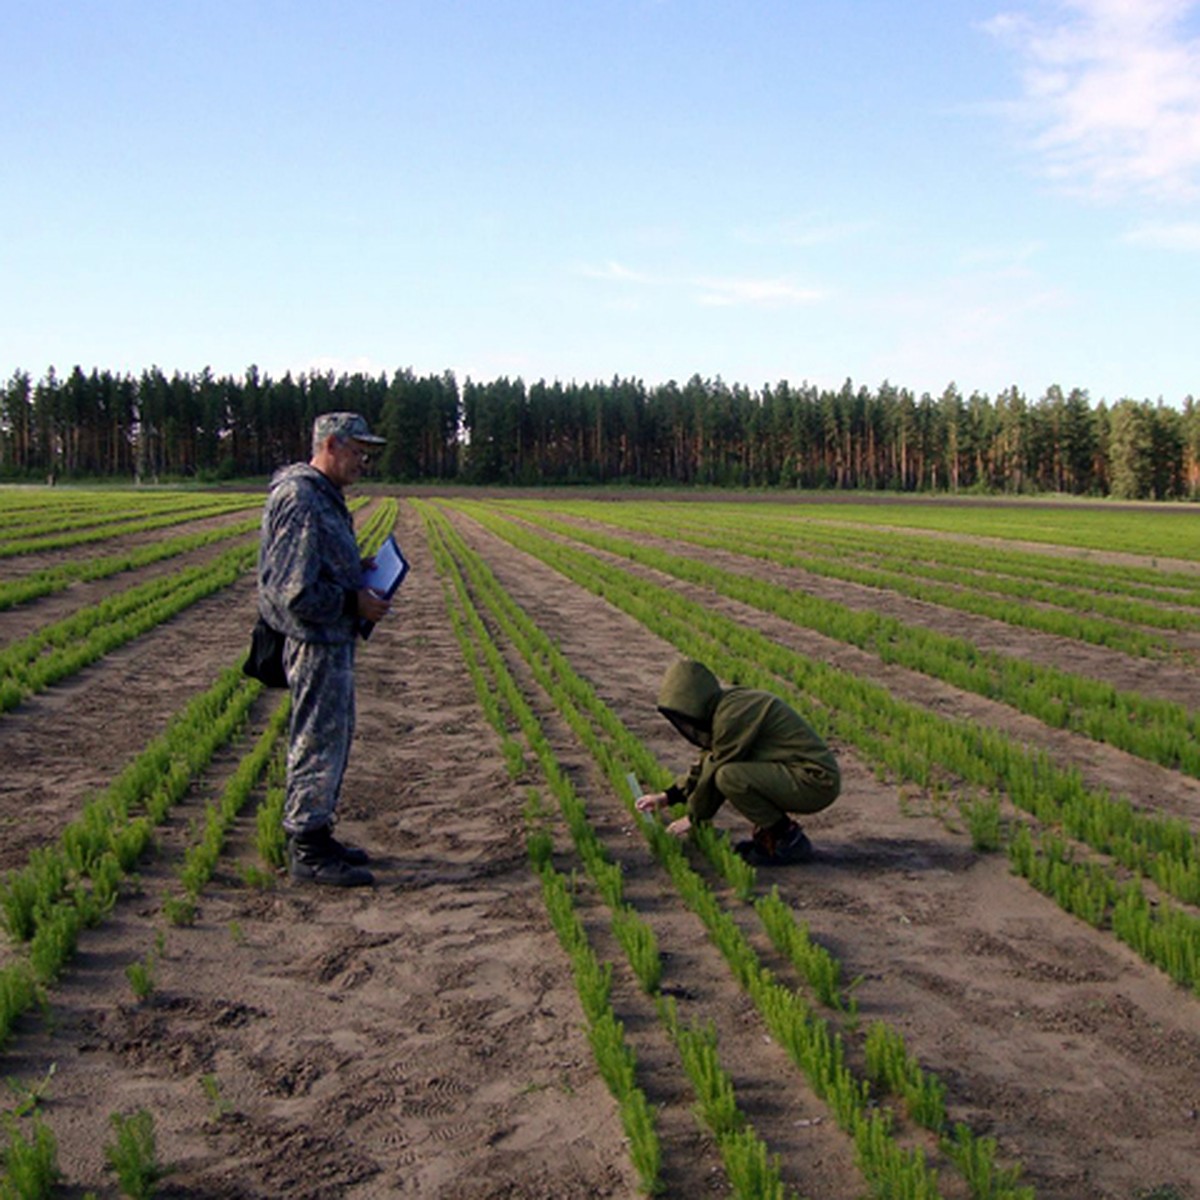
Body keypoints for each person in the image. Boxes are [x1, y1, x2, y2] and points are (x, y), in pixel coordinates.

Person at [257, 411, 392, 887]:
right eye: (358, 451)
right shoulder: (300, 497)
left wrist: (358, 570)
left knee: (331, 739)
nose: (363, 462)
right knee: (316, 742)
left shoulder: (323, 495)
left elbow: (319, 565)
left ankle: (318, 830)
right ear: (331, 445)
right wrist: (352, 599)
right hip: (314, 643)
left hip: (331, 641)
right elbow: (295, 591)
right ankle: (307, 849)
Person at [635, 659, 840, 866]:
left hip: (815, 781)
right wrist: (668, 796)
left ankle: (787, 839)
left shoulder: (732, 716)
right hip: (797, 774)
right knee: (727, 773)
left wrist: (693, 817)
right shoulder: (725, 707)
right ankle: (776, 835)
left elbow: (715, 770)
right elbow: (708, 761)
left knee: (730, 777)